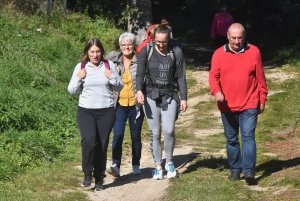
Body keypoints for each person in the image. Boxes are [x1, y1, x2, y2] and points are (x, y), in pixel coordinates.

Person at [209, 23, 268, 185]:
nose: (236, 41)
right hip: (227, 105)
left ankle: (249, 170)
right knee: (232, 139)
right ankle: (235, 169)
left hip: (250, 102)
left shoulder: (254, 51)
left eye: (240, 38)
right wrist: (216, 91)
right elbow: (213, 77)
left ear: (244, 36)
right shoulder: (218, 54)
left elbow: (260, 77)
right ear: (227, 36)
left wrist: (262, 98)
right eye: (233, 38)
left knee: (248, 136)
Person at [67, 38, 123, 191]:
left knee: (102, 145)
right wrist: (79, 77)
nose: (95, 54)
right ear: (87, 53)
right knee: (89, 140)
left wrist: (111, 76)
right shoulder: (81, 67)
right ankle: (87, 172)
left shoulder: (109, 65)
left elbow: (119, 87)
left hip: (106, 111)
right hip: (86, 111)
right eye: (92, 52)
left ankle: (99, 177)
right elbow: (71, 91)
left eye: (98, 51)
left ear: (102, 52)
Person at [136, 21, 188, 180]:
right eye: (157, 41)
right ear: (153, 39)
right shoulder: (146, 51)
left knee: (169, 130)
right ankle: (158, 165)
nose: (160, 44)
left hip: (170, 94)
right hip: (151, 94)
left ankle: (170, 162)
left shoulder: (176, 52)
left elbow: (181, 76)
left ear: (169, 39)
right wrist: (139, 90)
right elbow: (139, 74)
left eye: (164, 42)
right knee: (155, 132)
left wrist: (184, 97)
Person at [105, 32, 145, 177]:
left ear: (134, 46)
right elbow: (101, 66)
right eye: (123, 44)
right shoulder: (114, 60)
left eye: (129, 44)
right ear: (120, 46)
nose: (126, 47)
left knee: (135, 136)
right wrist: (114, 71)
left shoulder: (140, 61)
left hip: (136, 106)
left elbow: (145, 80)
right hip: (119, 105)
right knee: (118, 134)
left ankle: (136, 164)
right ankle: (116, 164)